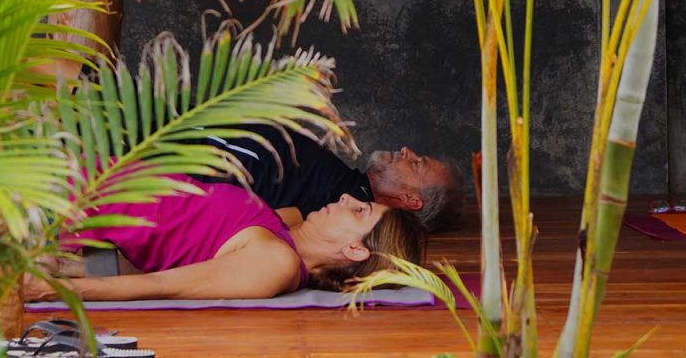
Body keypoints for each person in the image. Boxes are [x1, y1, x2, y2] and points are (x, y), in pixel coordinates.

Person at [23, 175, 422, 302]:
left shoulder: (276, 264)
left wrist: (52, 288)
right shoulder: (283, 235)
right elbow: (174, 249)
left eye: (360, 211)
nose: (347, 197)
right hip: (75, 192)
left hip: (56, 205)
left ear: (355, 249)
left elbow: (161, 285)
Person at [194, 124, 464, 232]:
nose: (407, 151)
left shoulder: (348, 208)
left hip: (184, 151)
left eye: (417, 164)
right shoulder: (351, 187)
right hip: (193, 131)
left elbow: (270, 224)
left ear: (410, 199)